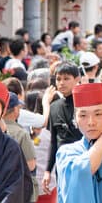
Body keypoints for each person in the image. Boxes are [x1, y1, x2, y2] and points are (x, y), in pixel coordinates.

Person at [42, 61, 82, 194]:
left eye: (66, 78)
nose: (61, 83)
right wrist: (48, 170)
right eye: (58, 79)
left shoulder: (85, 104)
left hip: (84, 163)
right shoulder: (54, 107)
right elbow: (54, 141)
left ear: (77, 79)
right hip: (63, 165)